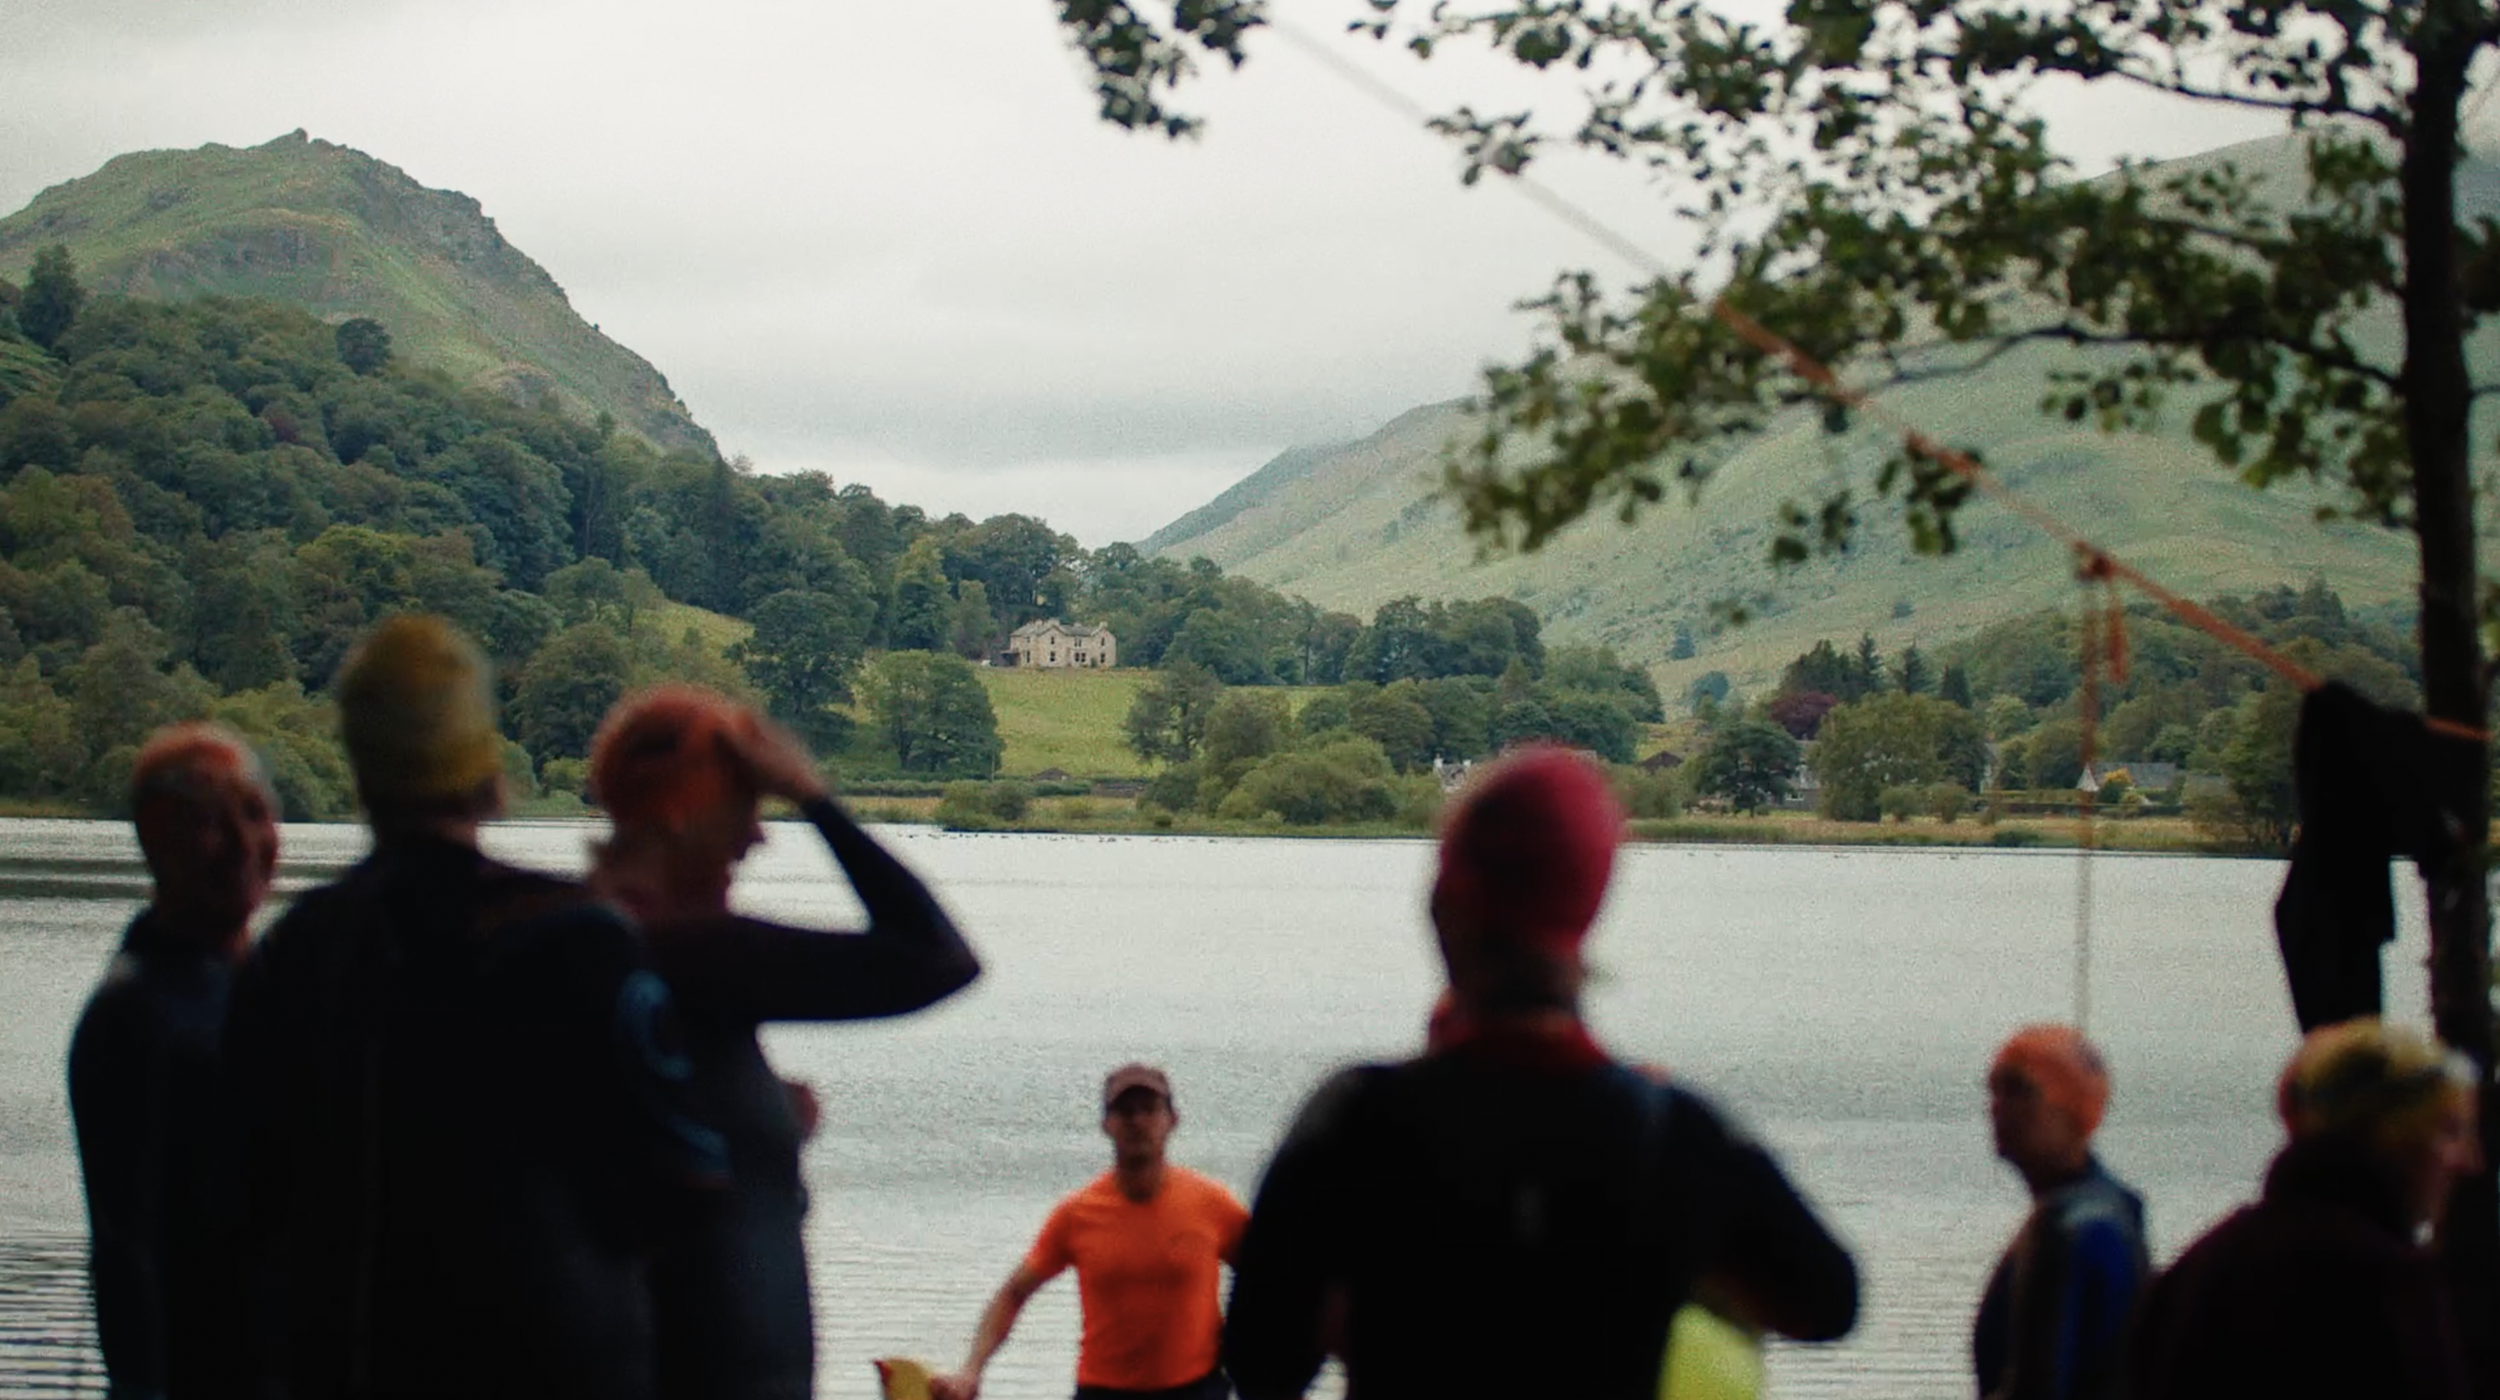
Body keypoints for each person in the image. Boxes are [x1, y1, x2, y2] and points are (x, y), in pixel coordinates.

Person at [1222, 745, 1859, 1400]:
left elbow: (1261, 1361)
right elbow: (1828, 1303)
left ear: (1446, 906)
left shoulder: (1360, 1119)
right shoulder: (1676, 1133)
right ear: (1585, 913)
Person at [222, 615, 727, 1400]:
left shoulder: (296, 948)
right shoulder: (577, 937)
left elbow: (245, 1204)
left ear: (360, 772)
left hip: (348, 1363)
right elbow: (689, 1177)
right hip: (555, 1356)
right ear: (489, 772)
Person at [585, 685, 982, 1400]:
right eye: (745, 806)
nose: (756, 837)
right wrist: (813, 797)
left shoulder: (577, 947)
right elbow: (935, 958)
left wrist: (758, 1121)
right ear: (678, 812)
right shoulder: (690, 952)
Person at [67, 723, 281, 1400]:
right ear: (157, 837)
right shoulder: (132, 1014)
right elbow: (125, 1244)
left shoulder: (264, 981)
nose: (245, 845)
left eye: (255, 814)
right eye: (213, 824)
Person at [2128, 1017, 2484, 1400]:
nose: (2469, 1161)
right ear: (2392, 1133)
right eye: (2449, 1130)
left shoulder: (2195, 1272)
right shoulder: (2385, 1282)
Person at [931, 1064, 1249, 1400]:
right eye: (1125, 1112)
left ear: (1172, 1120)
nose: (1138, 1122)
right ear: (1106, 1125)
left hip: (1196, 1389)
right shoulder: (1077, 1213)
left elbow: (1277, 1280)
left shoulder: (1212, 1205)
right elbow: (1013, 1293)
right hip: (1104, 1392)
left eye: (1149, 1110)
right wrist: (971, 1370)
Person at [1970, 1025, 2148, 1400]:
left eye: (2018, 1089)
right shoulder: (2118, 1210)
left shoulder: (2063, 1229)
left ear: (2068, 1107)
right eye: (1993, 1088)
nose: (1998, 1106)